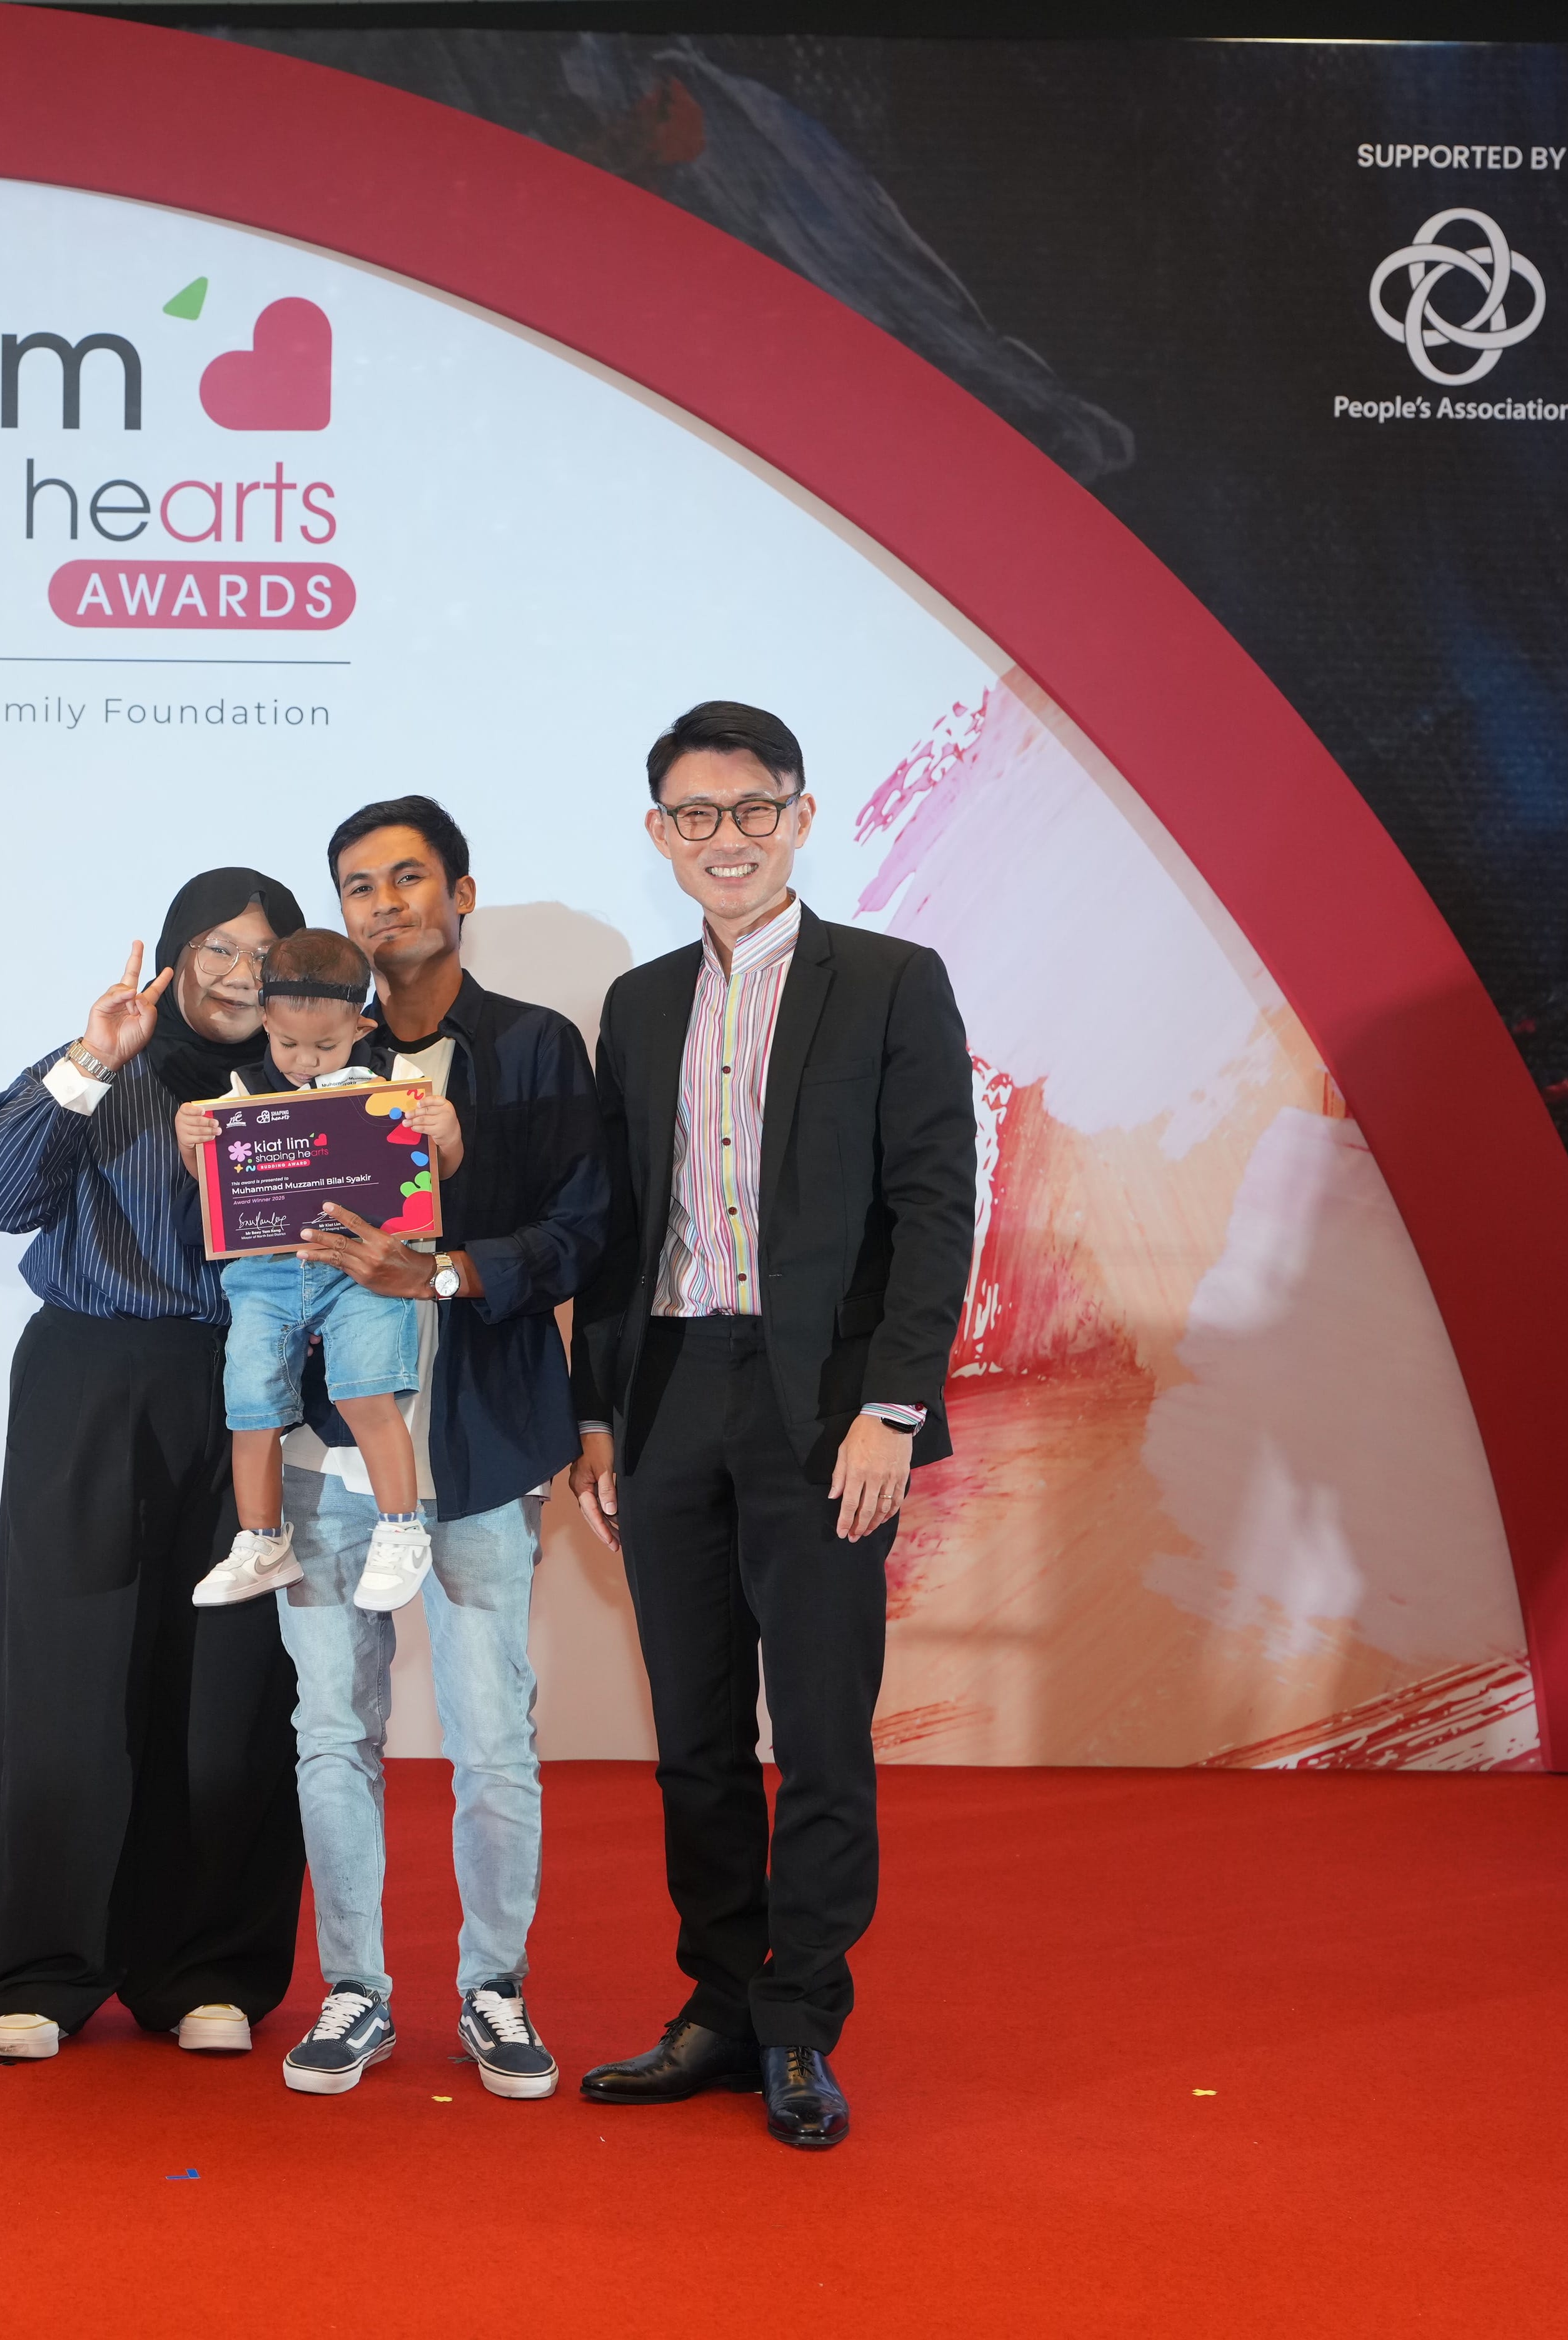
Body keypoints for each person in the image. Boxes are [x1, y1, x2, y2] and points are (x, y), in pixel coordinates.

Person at [565, 703, 975, 2151]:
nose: (724, 836)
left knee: (816, 1732)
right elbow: (619, 1232)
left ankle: (802, 2019)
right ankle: (720, 2006)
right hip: (670, 1391)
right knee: (690, 1739)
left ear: (802, 816)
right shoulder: (638, 1003)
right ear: (659, 830)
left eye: (751, 809)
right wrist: (599, 1420)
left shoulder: (889, 982)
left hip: (821, 1412)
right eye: (694, 813)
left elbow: (935, 1207)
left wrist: (888, 1405)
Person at [265, 796, 609, 2102]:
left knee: (493, 1736)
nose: (386, 904)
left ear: (462, 893)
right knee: (328, 1732)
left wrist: (454, 1269)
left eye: (410, 879)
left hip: (474, 1447)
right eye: (359, 886)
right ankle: (353, 1989)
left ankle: (494, 1987)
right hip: (320, 1454)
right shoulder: (285, 1056)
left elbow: (584, 1229)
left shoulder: (532, 1050)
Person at [0, 869, 313, 2062]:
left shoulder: (315, 1083)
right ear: (172, 951)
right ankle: (39, 1970)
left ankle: (203, 1966)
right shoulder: (108, 1062)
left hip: (255, 1397)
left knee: (232, 1688)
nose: (240, 972)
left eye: (265, 950)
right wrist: (89, 1061)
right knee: (67, 1669)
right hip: (92, 1382)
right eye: (216, 944)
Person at [177, 926, 463, 1616]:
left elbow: (435, 1178)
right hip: (266, 1276)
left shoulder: (396, 1083)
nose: (304, 1061)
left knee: (368, 1395)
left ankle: (401, 1529)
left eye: (326, 1046)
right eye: (288, 1043)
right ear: (265, 1023)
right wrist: (193, 1146)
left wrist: (445, 1131)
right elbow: (220, 1194)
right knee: (250, 1408)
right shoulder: (242, 1089)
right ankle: (261, 1539)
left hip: (358, 1268)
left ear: (360, 1024)